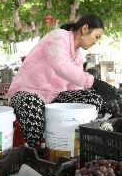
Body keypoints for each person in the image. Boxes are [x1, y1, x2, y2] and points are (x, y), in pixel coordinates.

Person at [7, 14, 115, 149]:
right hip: (24, 93)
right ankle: (36, 152)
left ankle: (73, 144)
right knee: (32, 102)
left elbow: (75, 86)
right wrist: (95, 82)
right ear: (85, 29)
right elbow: (61, 66)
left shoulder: (78, 56)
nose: (95, 41)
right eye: (96, 36)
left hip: (51, 98)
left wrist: (100, 95)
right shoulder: (59, 36)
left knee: (92, 99)